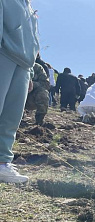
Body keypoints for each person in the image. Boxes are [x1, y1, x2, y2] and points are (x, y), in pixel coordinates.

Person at [0, 0, 40, 183]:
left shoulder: (30, 9)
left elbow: (33, 41)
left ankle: (2, 163)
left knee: (12, 117)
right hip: (4, 55)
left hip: (24, 66)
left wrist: (30, 73)